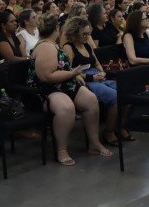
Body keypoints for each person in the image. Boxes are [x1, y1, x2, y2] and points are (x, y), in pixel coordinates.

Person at [28, 13, 112, 166]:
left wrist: (74, 75)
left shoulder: (52, 44)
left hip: (64, 84)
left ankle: (94, 143)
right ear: (57, 28)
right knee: (67, 108)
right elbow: (47, 76)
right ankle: (62, 150)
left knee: (91, 100)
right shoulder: (46, 47)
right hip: (47, 90)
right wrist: (73, 73)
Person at [63, 17, 130, 146]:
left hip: (96, 76)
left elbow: (97, 63)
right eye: (84, 34)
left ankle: (120, 126)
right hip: (85, 81)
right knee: (115, 97)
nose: (87, 37)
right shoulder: (69, 48)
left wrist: (102, 71)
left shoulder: (87, 45)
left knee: (127, 91)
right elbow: (70, 72)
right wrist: (91, 78)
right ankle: (108, 131)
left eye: (89, 34)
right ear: (74, 33)